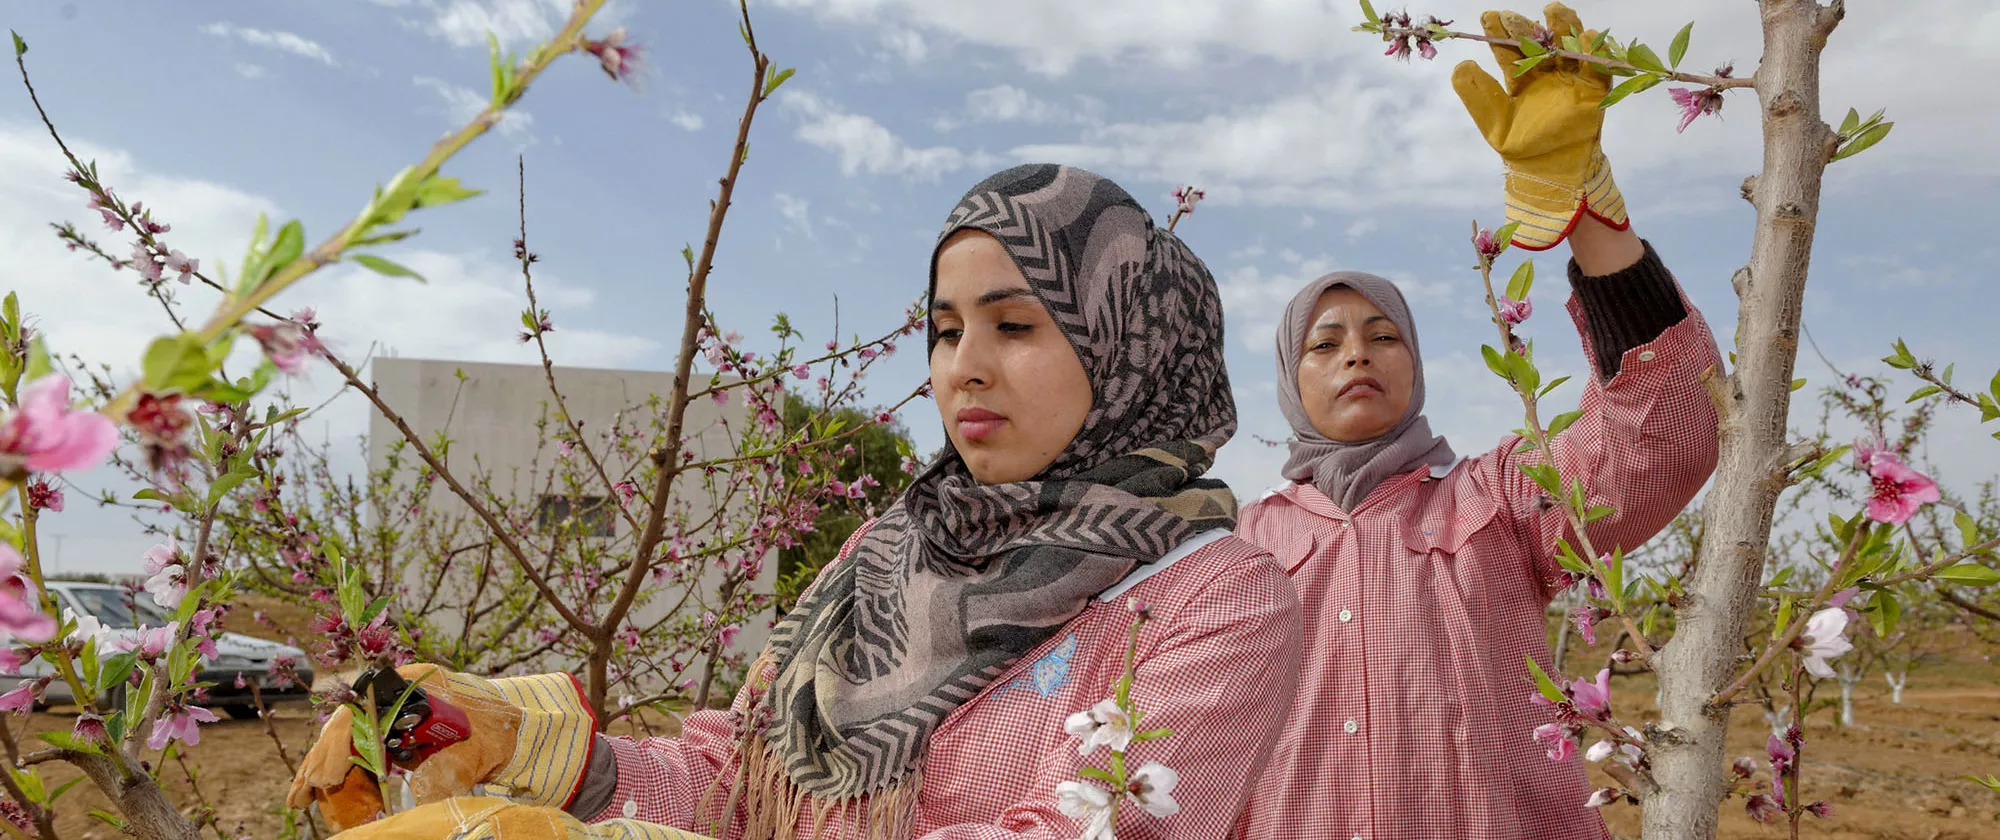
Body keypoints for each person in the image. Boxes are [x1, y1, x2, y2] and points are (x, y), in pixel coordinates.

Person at [288, 164, 1303, 840]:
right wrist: (541, 755)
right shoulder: (885, 549)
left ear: (1129, 347)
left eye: (1016, 326)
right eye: (945, 331)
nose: (963, 369)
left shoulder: (1214, 596)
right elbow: (736, 775)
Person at [1233, 5, 1723, 840]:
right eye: (1325, 344)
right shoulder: (1242, 548)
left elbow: (1667, 433)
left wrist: (1593, 217)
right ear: (1289, 379)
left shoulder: (1498, 499)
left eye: (1384, 336)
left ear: (1416, 367)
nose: (1359, 355)